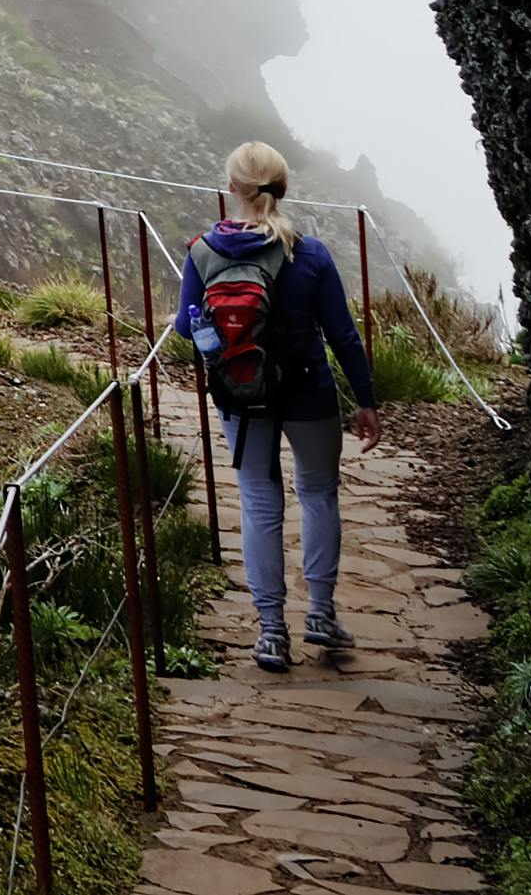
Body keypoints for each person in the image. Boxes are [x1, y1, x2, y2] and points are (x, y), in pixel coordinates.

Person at [170, 139, 379, 672]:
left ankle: (270, 632)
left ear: (232, 187)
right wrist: (366, 401)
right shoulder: (310, 253)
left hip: (242, 395)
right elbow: (342, 334)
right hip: (309, 392)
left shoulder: (203, 251)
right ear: (281, 187)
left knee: (260, 504)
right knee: (318, 494)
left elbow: (185, 328)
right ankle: (321, 613)